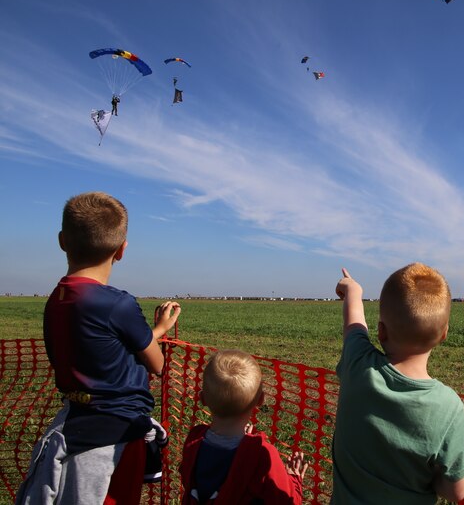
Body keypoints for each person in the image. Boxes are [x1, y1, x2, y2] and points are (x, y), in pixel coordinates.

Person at [16, 191, 181, 504]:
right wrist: (157, 333)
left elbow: (101, 347)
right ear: (121, 250)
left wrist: (154, 330)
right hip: (118, 435)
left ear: (62, 241)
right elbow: (157, 364)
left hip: (76, 422)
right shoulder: (118, 305)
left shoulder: (57, 300)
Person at [332, 264, 464, 504]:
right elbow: (456, 492)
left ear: (381, 331)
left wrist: (353, 290)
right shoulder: (448, 407)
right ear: (444, 335)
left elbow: (354, 326)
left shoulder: (358, 365)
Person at [179, 349, 307, 504]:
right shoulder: (262, 454)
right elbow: (286, 500)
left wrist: (244, 443)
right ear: (260, 400)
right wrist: (295, 479)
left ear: (202, 399)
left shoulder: (193, 440)